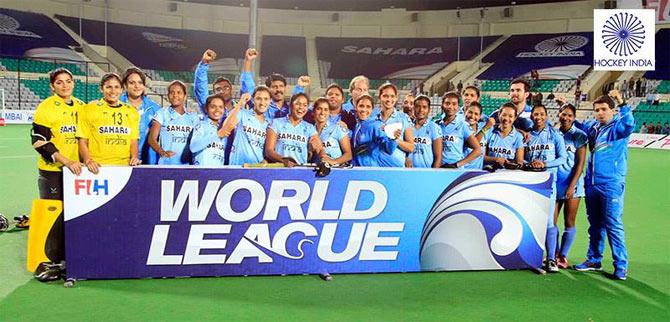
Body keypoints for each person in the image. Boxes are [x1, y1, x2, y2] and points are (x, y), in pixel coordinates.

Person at [574, 90, 635, 280]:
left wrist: (621, 101)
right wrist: (564, 109)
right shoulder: (594, 127)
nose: (600, 113)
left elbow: (629, 124)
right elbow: (579, 125)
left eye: (604, 109)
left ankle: (621, 265)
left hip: (611, 184)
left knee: (613, 225)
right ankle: (594, 259)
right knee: (595, 225)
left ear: (612, 111)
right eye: (597, 110)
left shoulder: (618, 128)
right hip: (592, 184)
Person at [525, 104, 568, 273]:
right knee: (531, 219)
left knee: (550, 222)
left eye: (542, 114)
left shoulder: (555, 135)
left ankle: (551, 259)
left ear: (547, 115)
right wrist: (530, 164)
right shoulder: (527, 136)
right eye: (536, 114)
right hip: (531, 183)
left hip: (549, 183)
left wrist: (545, 164)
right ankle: (530, 257)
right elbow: (521, 156)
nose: (539, 117)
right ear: (532, 116)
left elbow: (562, 158)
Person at [32, 68, 85, 201]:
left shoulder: (82, 106)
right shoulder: (46, 107)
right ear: (52, 86)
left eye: (68, 81)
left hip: (78, 170)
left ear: (73, 83)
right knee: (55, 215)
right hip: (53, 171)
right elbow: (38, 142)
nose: (65, 85)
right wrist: (67, 161)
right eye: (59, 82)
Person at [77, 72, 141, 174]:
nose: (113, 91)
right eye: (108, 87)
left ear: (121, 89)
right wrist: (88, 160)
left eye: (116, 87)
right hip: (97, 166)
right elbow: (82, 140)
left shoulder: (132, 111)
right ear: (101, 88)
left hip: (124, 167)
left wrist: (134, 157)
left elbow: (133, 141)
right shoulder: (89, 109)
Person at [555, 104, 587, 269]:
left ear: (574, 117)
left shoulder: (579, 136)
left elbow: (580, 165)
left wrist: (572, 185)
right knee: (551, 223)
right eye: (563, 114)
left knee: (569, 222)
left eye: (569, 115)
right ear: (558, 115)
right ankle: (553, 253)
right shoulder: (554, 133)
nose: (565, 118)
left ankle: (563, 255)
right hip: (555, 184)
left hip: (572, 185)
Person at [239, 48, 308, 120]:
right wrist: (248, 61)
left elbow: (297, 100)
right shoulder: (261, 106)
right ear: (268, 89)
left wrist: (300, 86)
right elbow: (248, 86)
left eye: (281, 86)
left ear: (285, 88)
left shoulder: (290, 109)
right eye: (274, 87)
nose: (278, 89)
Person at [190, 94, 250, 167]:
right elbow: (193, 147)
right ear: (206, 109)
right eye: (213, 107)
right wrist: (217, 135)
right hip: (201, 172)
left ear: (224, 110)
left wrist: (240, 104)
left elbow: (231, 121)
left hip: (218, 174)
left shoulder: (222, 129)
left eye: (220, 107)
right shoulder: (202, 125)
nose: (217, 110)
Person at [148, 80, 198, 165]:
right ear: (168, 95)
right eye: (172, 92)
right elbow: (151, 139)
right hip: (167, 164)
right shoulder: (162, 113)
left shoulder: (193, 117)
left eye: (179, 92)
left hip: (187, 166)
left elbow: (198, 141)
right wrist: (162, 152)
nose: (175, 95)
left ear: (185, 96)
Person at [265, 93, 323, 167]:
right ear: (291, 105)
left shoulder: (310, 128)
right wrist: (283, 160)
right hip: (280, 169)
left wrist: (324, 160)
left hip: (300, 170)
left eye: (305, 105)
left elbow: (320, 149)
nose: (301, 107)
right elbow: (269, 151)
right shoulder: (276, 123)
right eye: (298, 104)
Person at [120, 67, 161, 164]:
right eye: (132, 83)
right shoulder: (117, 104)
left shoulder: (155, 108)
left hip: (148, 160)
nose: (136, 86)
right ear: (125, 85)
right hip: (121, 160)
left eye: (140, 82)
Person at [223, 86, 272, 165]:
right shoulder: (242, 113)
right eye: (258, 98)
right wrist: (240, 103)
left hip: (256, 168)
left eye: (266, 99)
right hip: (237, 166)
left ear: (270, 101)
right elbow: (226, 127)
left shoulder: (269, 123)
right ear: (253, 100)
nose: (262, 103)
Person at [352, 94, 400, 167]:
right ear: (356, 107)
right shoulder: (356, 125)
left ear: (372, 109)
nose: (364, 109)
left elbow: (390, 150)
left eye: (368, 107)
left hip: (370, 169)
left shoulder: (376, 125)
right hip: (357, 169)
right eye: (361, 106)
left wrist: (393, 138)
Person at [437, 92, 482, 168]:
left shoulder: (462, 125)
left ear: (458, 107)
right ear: (442, 105)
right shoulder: (436, 124)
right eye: (447, 103)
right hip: (438, 168)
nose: (450, 107)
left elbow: (478, 150)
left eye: (454, 104)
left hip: (455, 170)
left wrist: (457, 165)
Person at [375, 83, 414, 167]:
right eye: (385, 96)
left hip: (396, 169)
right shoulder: (373, 117)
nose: (389, 99)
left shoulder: (403, 118)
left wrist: (394, 139)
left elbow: (411, 147)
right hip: (375, 168)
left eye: (392, 96)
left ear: (396, 98)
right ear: (380, 97)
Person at [479, 103, 525, 168]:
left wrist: (508, 164)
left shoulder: (518, 137)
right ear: (499, 114)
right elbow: (481, 157)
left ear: (515, 118)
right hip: (489, 173)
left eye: (510, 116)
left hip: (507, 175)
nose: (506, 118)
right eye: (504, 115)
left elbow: (519, 162)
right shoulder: (490, 132)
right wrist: (496, 160)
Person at [194, 49, 236, 115]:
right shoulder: (209, 109)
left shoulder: (241, 110)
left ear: (232, 91)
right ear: (214, 93)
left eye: (226, 88)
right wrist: (204, 63)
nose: (222, 91)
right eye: (218, 89)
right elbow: (200, 88)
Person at [312, 97, 352, 165]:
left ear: (329, 112)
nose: (322, 112)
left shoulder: (337, 128)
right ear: (313, 111)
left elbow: (348, 155)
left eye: (326, 110)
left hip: (336, 171)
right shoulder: (310, 130)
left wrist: (334, 161)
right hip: (316, 171)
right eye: (319, 109)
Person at [408, 94, 442, 168]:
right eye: (417, 106)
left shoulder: (434, 128)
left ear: (429, 110)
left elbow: (438, 156)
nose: (421, 110)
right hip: (408, 171)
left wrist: (433, 174)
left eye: (424, 107)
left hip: (426, 172)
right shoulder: (407, 126)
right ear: (413, 108)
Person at [463, 102, 486, 170]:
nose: (472, 116)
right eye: (470, 112)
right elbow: (472, 144)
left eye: (476, 114)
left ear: (480, 116)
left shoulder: (484, 129)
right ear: (465, 112)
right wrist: (485, 128)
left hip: (478, 172)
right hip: (462, 170)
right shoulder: (460, 128)